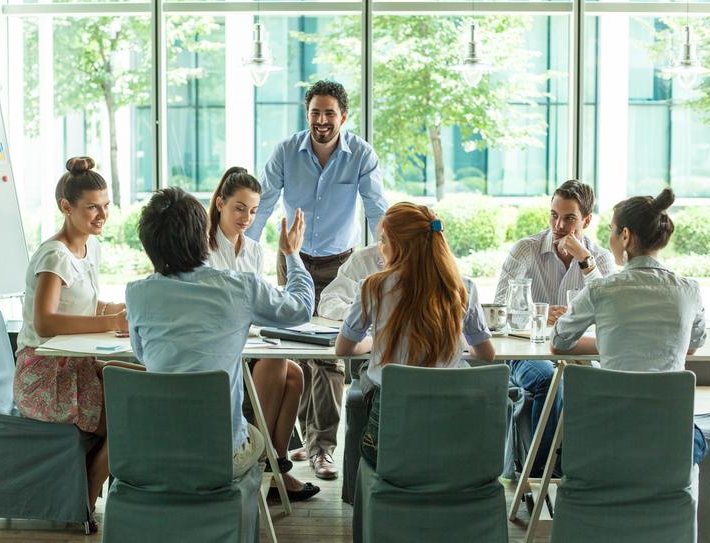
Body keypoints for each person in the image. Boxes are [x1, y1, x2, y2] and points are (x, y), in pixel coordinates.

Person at [126, 187, 319, 503]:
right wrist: (292, 254)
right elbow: (299, 308)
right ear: (203, 237)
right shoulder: (238, 287)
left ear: (150, 245)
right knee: (258, 439)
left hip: (155, 451)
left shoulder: (137, 293)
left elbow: (143, 355)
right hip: (220, 455)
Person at [246, 79, 389, 480]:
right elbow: (262, 208)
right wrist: (245, 257)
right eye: (315, 113)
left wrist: (387, 260)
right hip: (293, 259)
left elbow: (378, 210)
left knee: (329, 356)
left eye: (329, 113)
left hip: (339, 265)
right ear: (306, 114)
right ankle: (294, 441)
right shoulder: (285, 152)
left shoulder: (360, 154)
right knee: (292, 347)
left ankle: (323, 447)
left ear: (343, 116)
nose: (322, 121)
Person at [12, 157, 143, 530]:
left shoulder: (89, 247)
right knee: (132, 418)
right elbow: (46, 321)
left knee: (141, 382)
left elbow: (85, 302)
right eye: (92, 208)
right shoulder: (55, 255)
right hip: (45, 375)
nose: (102, 215)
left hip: (74, 364)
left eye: (106, 206)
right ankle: (84, 496)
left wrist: (119, 308)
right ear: (66, 207)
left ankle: (99, 484)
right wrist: (107, 321)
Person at [551, 188, 707, 465]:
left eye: (612, 231)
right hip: (670, 435)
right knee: (697, 438)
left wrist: (613, 340)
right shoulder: (689, 290)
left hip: (612, 428)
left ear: (625, 236)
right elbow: (693, 346)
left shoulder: (601, 289)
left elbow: (559, 342)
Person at [335, 202, 496, 466]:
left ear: (399, 245)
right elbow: (486, 354)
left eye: (383, 240)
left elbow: (343, 349)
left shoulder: (372, 287)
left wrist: (375, 342)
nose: (380, 247)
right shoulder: (463, 287)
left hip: (390, 444)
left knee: (369, 380)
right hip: (452, 442)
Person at [206, 167, 318, 500]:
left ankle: (274, 464)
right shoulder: (202, 247)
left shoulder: (253, 249)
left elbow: (258, 303)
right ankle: (255, 464)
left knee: (294, 374)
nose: (246, 217)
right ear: (220, 203)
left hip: (247, 341)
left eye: (253, 211)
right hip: (221, 348)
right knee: (277, 364)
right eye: (239, 208)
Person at [493, 179, 615, 476]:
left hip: (578, 352)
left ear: (586, 220)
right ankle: (541, 475)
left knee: (604, 383)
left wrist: (584, 262)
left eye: (569, 218)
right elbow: (499, 307)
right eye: (553, 215)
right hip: (528, 350)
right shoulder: (527, 249)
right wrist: (543, 313)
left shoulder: (599, 258)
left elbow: (612, 316)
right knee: (550, 380)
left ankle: (589, 472)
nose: (559, 225)